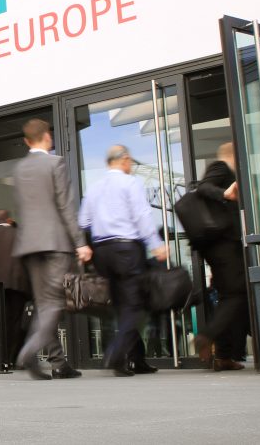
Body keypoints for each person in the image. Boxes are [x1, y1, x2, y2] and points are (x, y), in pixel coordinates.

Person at [78, 144, 169, 377]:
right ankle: (116, 353)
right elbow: (141, 215)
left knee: (122, 306)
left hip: (102, 251)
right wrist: (156, 243)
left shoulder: (95, 187)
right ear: (125, 160)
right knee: (135, 306)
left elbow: (84, 221)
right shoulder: (130, 183)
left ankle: (136, 359)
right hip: (127, 250)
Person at [12, 118, 89, 380]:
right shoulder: (55, 163)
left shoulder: (19, 168)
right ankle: (29, 351)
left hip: (29, 244)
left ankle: (58, 363)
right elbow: (65, 205)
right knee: (54, 303)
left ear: (26, 141)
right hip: (55, 242)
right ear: (48, 137)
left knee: (45, 304)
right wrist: (80, 242)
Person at [194, 142, 248, 370]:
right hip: (223, 245)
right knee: (236, 294)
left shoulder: (227, 172)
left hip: (222, 245)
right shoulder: (221, 167)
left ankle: (224, 356)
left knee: (230, 297)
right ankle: (207, 336)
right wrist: (224, 193)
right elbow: (204, 187)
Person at [0, 209, 30, 369]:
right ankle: (12, 358)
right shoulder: (19, 234)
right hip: (17, 284)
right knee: (15, 321)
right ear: (9, 220)